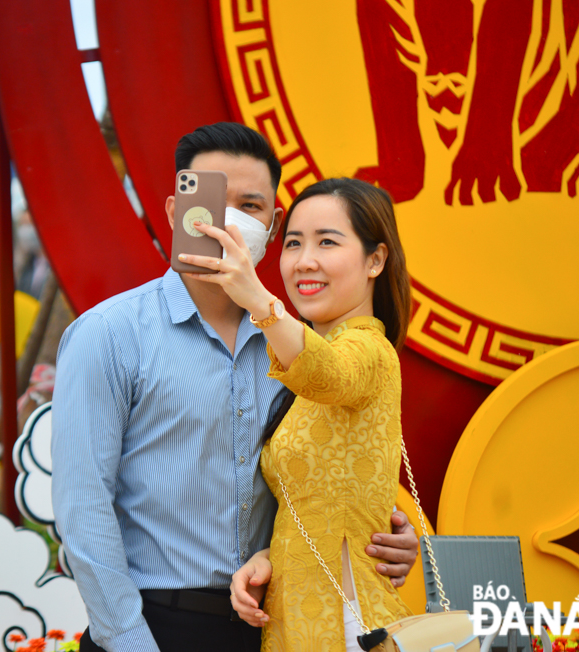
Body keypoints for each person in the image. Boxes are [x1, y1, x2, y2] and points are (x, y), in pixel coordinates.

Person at [51, 123, 418, 652]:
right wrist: (130, 641)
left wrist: (385, 537)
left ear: (270, 227)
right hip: (154, 625)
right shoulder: (111, 335)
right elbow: (84, 510)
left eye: (252, 206)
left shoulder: (298, 346)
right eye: (213, 199)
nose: (230, 221)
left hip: (268, 629)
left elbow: (326, 472)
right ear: (178, 212)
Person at [183, 177, 413, 650]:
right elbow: (320, 505)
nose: (304, 260)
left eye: (327, 241)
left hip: (348, 628)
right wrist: (270, 556)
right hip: (295, 623)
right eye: (293, 243)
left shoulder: (368, 349)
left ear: (376, 259)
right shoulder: (302, 361)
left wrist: (256, 299)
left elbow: (330, 374)